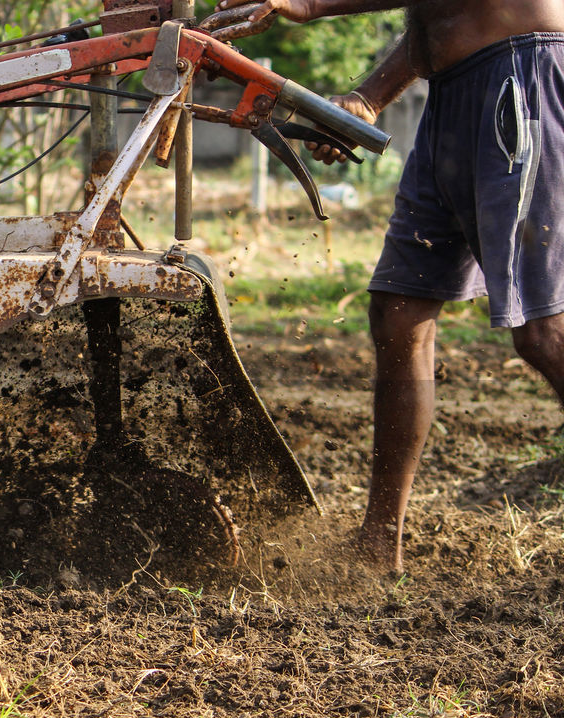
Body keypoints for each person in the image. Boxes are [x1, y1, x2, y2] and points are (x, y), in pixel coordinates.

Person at [216, 0, 564, 570]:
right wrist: (370, 96)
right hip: (451, 94)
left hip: (515, 78)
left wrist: (305, 6)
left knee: (542, 330)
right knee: (400, 310)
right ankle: (381, 544)